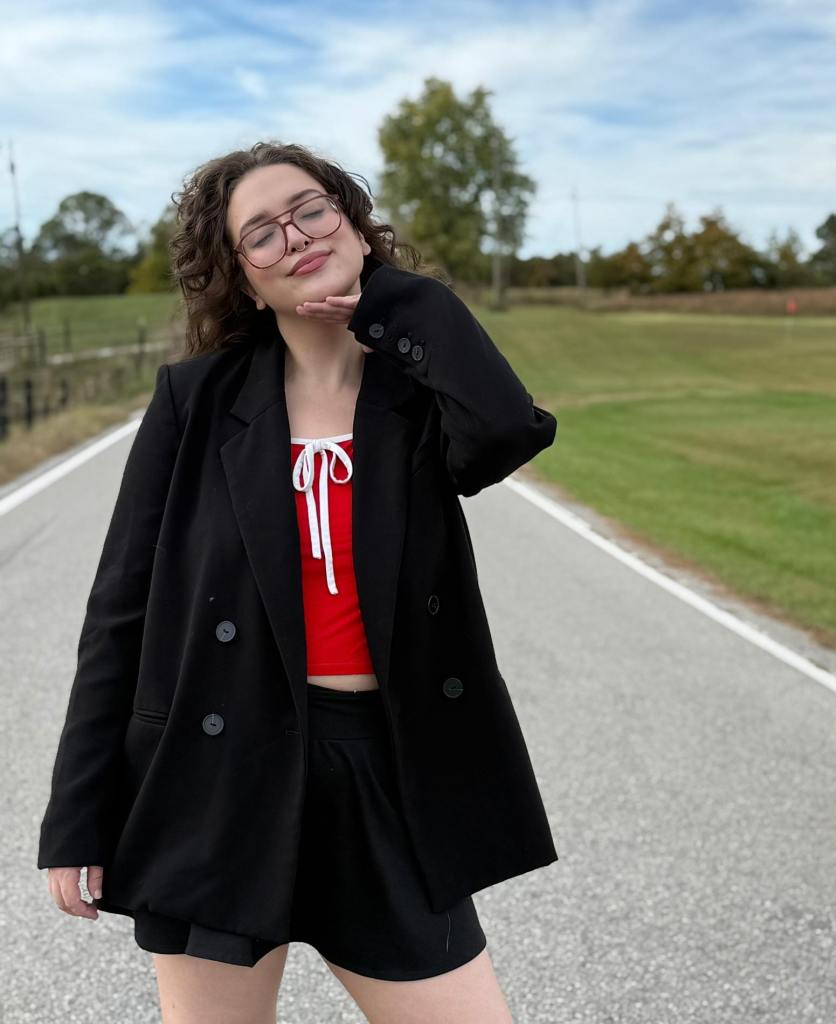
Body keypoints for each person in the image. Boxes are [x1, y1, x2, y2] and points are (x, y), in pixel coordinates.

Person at [38, 140, 559, 1023]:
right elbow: (117, 612)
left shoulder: (420, 390)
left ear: (352, 220)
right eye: (262, 234)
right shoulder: (194, 402)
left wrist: (401, 300)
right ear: (241, 278)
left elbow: (507, 430)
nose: (296, 236)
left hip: (384, 769)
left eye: (312, 209)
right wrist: (77, 815)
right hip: (216, 776)